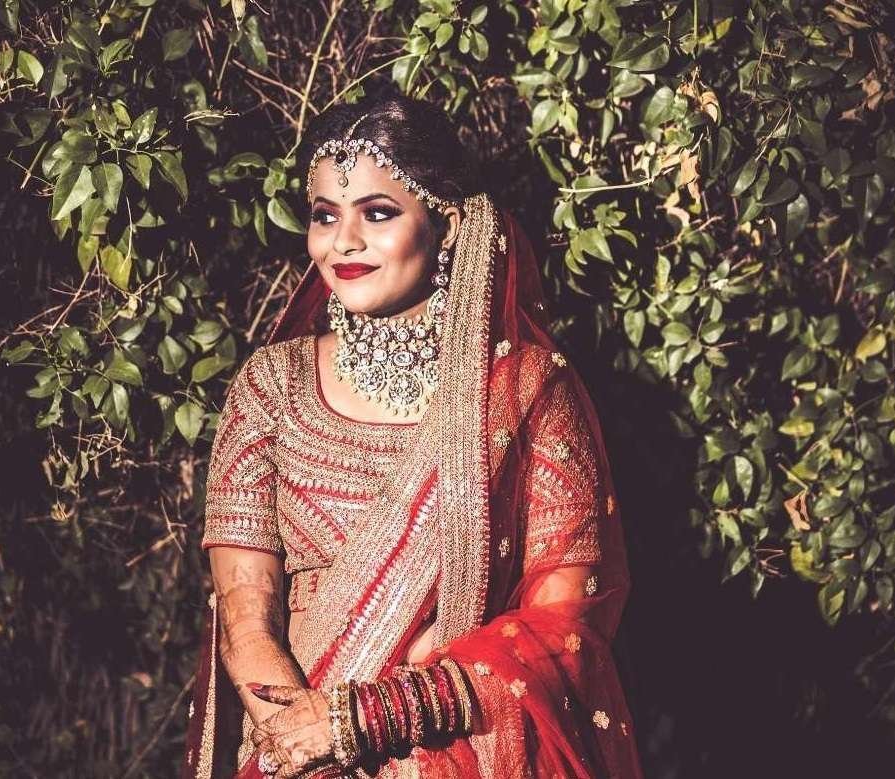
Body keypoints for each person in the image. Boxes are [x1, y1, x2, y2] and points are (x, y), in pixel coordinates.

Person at [179, 93, 645, 779]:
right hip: (288, 752)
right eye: (324, 215)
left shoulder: (526, 391)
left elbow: (562, 629)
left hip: (455, 752)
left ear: (446, 224)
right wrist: (303, 744)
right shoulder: (269, 387)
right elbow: (246, 615)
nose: (343, 241)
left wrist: (368, 719)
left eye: (377, 212)